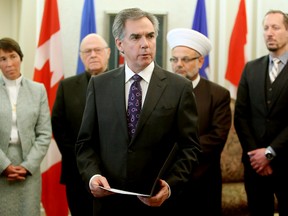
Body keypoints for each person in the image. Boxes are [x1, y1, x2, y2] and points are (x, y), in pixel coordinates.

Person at [75, 7, 201, 215]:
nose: (145, 44)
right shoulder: (99, 85)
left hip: (157, 204)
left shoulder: (179, 87)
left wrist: (169, 186)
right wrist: (92, 176)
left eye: (150, 36)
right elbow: (85, 143)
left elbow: (190, 148)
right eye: (135, 37)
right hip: (110, 204)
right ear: (119, 44)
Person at [167, 28, 231, 215]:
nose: (178, 65)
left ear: (200, 61)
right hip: (167, 181)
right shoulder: (161, 91)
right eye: (174, 59)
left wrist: (177, 150)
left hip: (203, 180)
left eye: (185, 59)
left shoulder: (218, 95)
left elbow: (216, 138)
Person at [234, 10, 288, 216]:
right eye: (266, 28)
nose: (269, 33)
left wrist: (270, 153)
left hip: (286, 162)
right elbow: (240, 116)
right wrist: (257, 155)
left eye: (275, 27)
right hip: (254, 166)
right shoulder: (251, 68)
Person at [52, 33, 111, 215]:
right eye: (87, 51)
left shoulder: (125, 84)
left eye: (97, 50)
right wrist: (83, 161)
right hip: (77, 173)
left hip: (114, 176)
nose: (93, 54)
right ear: (81, 56)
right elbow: (59, 127)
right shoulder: (66, 87)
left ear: (108, 53)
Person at [0, 37, 51, 216]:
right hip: (1, 167)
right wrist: (4, 166)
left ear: (20, 58)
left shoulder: (38, 90)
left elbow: (44, 134)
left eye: (12, 56)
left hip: (28, 169)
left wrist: (28, 166)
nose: (8, 63)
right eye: (2, 59)